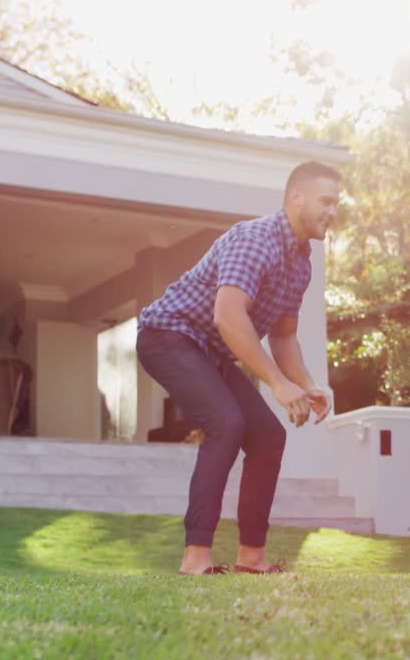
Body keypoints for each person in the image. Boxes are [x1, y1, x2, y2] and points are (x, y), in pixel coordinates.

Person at [136, 161, 340, 575]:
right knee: (226, 423)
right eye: (326, 201)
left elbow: (283, 337)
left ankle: (252, 558)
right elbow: (228, 317)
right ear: (295, 196)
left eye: (336, 204)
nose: (332, 212)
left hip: (208, 350)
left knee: (267, 435)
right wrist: (278, 385)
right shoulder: (255, 238)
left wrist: (308, 384)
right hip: (167, 335)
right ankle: (196, 558)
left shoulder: (301, 263)